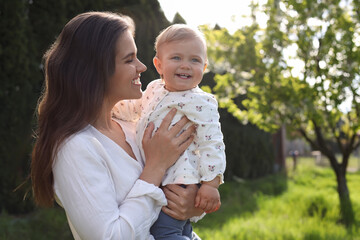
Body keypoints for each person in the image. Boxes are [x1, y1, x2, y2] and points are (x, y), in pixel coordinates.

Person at [30, 12, 204, 240]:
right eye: (129, 59)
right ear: (95, 70)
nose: (141, 67)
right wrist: (155, 166)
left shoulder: (134, 126)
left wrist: (193, 206)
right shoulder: (74, 147)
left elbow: (175, 200)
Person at [113, 24, 226, 239]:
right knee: (179, 231)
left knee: (164, 233)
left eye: (195, 60)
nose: (186, 65)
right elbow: (136, 109)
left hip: (179, 180)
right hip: (160, 176)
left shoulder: (201, 102)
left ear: (204, 66)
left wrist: (211, 184)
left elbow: (213, 143)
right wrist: (111, 108)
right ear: (158, 64)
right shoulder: (155, 88)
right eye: (176, 58)